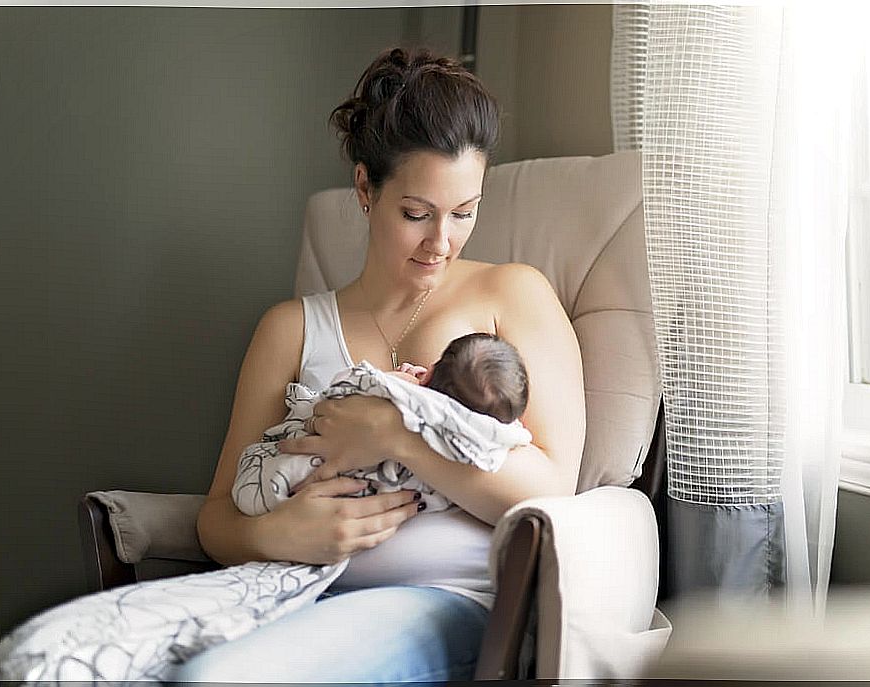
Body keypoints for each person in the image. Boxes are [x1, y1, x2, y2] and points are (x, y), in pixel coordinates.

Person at [171, 46, 586, 683]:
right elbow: (218, 516)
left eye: (464, 212)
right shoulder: (290, 328)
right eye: (417, 214)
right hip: (287, 587)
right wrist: (281, 533)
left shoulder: (512, 295)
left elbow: (552, 488)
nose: (441, 241)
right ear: (366, 188)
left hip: (443, 603)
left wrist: (390, 433)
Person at [232, 332, 531, 518]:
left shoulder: (396, 389)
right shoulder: (288, 326)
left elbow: (347, 386)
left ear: (428, 375)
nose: (439, 243)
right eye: (414, 222)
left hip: (445, 589)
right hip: (301, 536)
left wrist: (393, 409)